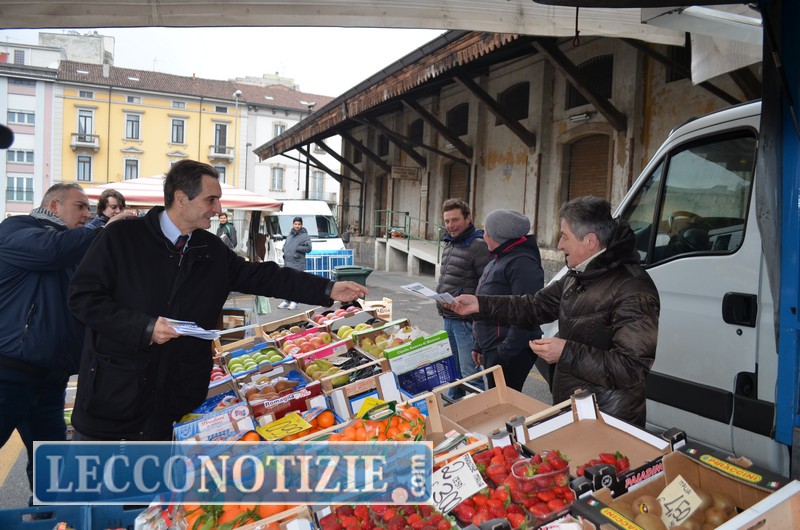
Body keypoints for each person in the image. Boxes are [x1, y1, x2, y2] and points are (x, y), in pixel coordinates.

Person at [68, 160, 367, 441]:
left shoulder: (209, 248)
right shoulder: (121, 237)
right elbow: (83, 298)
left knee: (155, 478)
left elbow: (265, 276)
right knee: (94, 477)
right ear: (181, 198)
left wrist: (327, 289)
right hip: (115, 395)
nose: (218, 209)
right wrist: (144, 327)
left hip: (173, 400)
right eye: (211, 200)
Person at [447, 196, 660, 426]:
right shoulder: (578, 274)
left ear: (590, 241)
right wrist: (480, 304)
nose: (559, 245)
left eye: (565, 237)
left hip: (608, 417)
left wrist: (566, 352)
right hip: (574, 405)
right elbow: (534, 305)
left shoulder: (634, 289)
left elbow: (631, 368)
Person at [0, 183, 131, 487]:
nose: (87, 214)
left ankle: (47, 510)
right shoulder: (18, 229)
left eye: (89, 208)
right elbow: (53, 251)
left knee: (52, 460)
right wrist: (105, 229)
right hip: (10, 370)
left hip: (49, 375)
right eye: (80, 206)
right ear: (54, 206)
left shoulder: (73, 245)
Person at [472, 209, 544, 391]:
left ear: (498, 237)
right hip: (492, 346)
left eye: (486, 232)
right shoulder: (498, 259)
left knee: (505, 401)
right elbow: (487, 303)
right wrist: (479, 345)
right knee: (495, 398)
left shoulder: (523, 264)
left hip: (510, 350)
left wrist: (503, 353)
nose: (483, 236)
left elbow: (527, 313)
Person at [436, 198, 492, 393]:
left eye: (455, 220)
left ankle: (480, 409)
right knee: (453, 373)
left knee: (470, 376)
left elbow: (487, 285)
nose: (450, 225)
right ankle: (455, 407)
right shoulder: (450, 243)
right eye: (447, 221)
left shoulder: (478, 245)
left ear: (468, 219)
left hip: (466, 322)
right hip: (448, 318)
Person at [278, 216, 312, 310]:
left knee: (296, 283)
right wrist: (284, 248)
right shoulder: (290, 234)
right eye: (295, 224)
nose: (297, 226)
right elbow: (286, 244)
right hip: (288, 262)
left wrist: (297, 248)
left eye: (299, 224)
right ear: (293, 224)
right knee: (287, 283)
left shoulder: (304, 236)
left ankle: (295, 302)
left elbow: (309, 248)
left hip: (297, 263)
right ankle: (287, 301)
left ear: (301, 225)